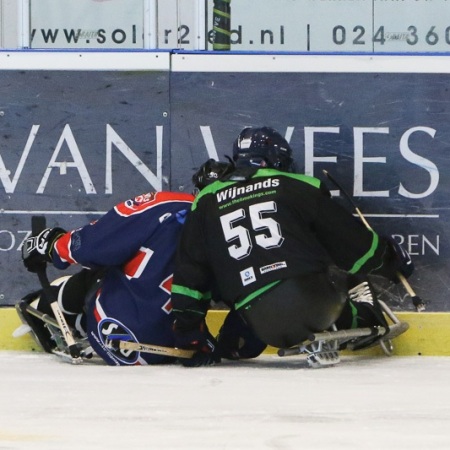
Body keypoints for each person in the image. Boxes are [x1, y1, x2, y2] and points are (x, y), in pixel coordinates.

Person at [170, 126, 414, 366]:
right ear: (273, 160)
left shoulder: (204, 201)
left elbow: (190, 274)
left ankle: (237, 338)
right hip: (314, 304)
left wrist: (189, 329)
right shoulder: (298, 185)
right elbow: (354, 245)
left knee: (250, 288)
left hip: (259, 321)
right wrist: (389, 260)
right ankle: (359, 318)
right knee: (337, 264)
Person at [20, 191, 195, 366]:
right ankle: (79, 321)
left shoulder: (172, 203)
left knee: (110, 264)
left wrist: (52, 245)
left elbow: (96, 244)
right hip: (173, 347)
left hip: (111, 332)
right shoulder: (220, 228)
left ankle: (50, 307)